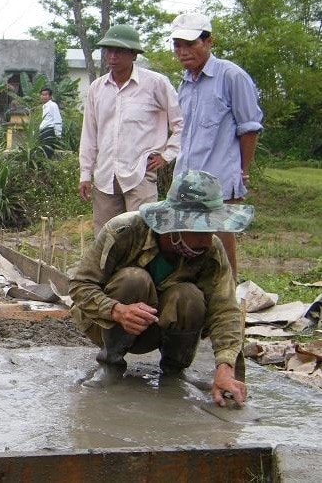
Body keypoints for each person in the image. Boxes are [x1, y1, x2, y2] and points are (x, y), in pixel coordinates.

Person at [68, 170, 253, 407]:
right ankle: (110, 365)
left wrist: (225, 368)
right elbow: (80, 285)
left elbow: (225, 310)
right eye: (198, 231)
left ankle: (174, 372)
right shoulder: (124, 231)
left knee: (189, 295)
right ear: (173, 223)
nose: (206, 241)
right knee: (134, 279)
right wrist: (117, 310)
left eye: (210, 231)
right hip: (107, 324)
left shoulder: (211, 251)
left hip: (161, 330)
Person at [170, 13, 263, 280]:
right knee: (189, 243)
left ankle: (228, 296)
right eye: (177, 45)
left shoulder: (231, 76)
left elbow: (249, 128)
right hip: (188, 178)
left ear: (208, 41)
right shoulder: (185, 82)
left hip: (219, 176)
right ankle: (196, 295)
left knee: (221, 241)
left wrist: (243, 172)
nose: (183, 52)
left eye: (190, 44)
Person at [78, 24, 184, 235]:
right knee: (106, 238)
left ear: (133, 54)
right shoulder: (97, 89)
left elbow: (181, 123)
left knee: (141, 235)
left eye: (119, 51)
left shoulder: (155, 84)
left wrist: (167, 155)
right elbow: (90, 133)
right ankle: (110, 270)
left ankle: (138, 270)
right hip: (106, 175)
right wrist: (85, 174)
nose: (113, 56)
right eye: (109, 50)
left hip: (140, 173)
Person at [39, 87, 62, 158]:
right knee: (43, 150)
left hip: (49, 131)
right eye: (42, 95)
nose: (44, 97)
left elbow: (57, 119)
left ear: (50, 96)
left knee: (48, 151)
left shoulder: (53, 105)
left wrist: (58, 134)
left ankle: (47, 165)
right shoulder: (45, 106)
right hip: (43, 131)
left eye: (46, 95)